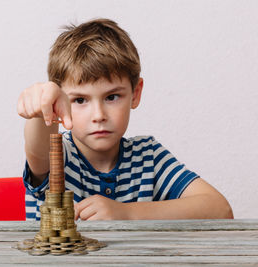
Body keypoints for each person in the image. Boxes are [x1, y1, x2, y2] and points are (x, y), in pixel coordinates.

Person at [17, 18, 233, 221]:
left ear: (135, 94)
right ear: (59, 104)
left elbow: (220, 209)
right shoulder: (60, 155)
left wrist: (127, 213)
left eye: (111, 97)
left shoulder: (149, 156)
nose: (99, 115)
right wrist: (39, 112)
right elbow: (38, 151)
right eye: (80, 100)